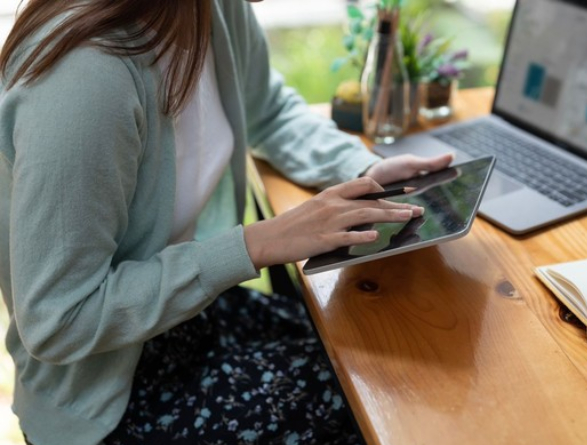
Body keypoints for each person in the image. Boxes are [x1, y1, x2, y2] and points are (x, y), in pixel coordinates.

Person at [0, 0, 452, 444]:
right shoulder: (85, 77)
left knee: (383, 351)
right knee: (382, 399)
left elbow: (268, 110)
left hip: (185, 317)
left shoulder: (208, 9)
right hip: (108, 392)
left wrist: (361, 169)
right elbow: (60, 320)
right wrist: (256, 244)